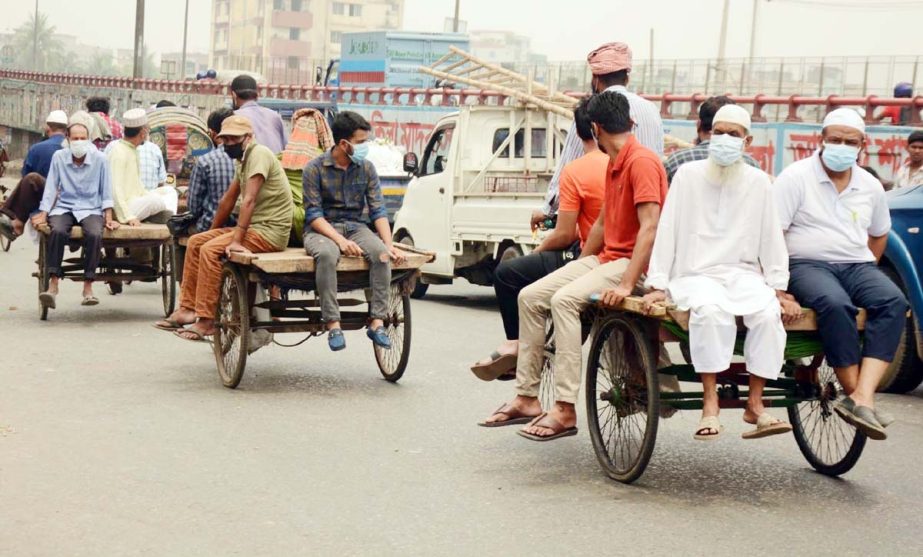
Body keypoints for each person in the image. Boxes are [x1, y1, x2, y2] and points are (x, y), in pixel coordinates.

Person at [480, 91, 667, 441]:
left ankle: (564, 408)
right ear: (629, 122)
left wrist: (627, 284)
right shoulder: (614, 161)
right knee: (531, 296)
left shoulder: (641, 161)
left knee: (563, 301)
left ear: (595, 128)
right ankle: (527, 397)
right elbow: (599, 226)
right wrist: (579, 268)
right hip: (606, 258)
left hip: (633, 264)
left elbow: (651, 227)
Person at [643, 105, 796, 440]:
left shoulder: (758, 182)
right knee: (711, 313)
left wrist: (778, 286)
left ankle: (755, 403)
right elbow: (667, 230)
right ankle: (709, 402)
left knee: (769, 314)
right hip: (694, 275)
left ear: (747, 140)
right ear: (709, 134)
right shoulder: (688, 175)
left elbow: (771, 236)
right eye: (720, 132)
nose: (725, 140)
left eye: (734, 134)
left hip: (742, 275)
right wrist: (657, 283)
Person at [774, 108, 909, 441]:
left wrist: (869, 271)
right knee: (834, 304)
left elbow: (879, 233)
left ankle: (862, 396)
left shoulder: (870, 185)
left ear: (862, 144)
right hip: (806, 263)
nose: (842, 146)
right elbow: (774, 233)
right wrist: (777, 285)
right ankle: (857, 396)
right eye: (835, 140)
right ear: (822, 140)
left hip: (857, 265)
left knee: (892, 300)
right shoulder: (796, 177)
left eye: (850, 142)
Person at [470, 98, 606, 380]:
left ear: (581, 132)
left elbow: (566, 234)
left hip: (589, 257)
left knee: (507, 273)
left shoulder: (576, 170)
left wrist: (537, 252)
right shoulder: (626, 165)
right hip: (621, 257)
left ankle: (518, 344)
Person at [155, 115, 293, 340]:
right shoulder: (242, 160)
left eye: (233, 139)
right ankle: (188, 308)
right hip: (254, 229)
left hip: (269, 232)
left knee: (209, 251)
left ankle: (207, 321)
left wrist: (236, 240)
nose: (228, 143)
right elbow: (227, 201)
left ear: (248, 138)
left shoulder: (259, 154)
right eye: (225, 139)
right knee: (198, 242)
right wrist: (211, 231)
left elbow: (248, 200)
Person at [302, 111, 405, 352]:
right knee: (327, 256)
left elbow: (378, 210)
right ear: (343, 143)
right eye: (360, 142)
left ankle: (377, 321)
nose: (364, 147)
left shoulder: (366, 168)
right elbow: (314, 215)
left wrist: (388, 244)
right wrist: (339, 241)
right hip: (322, 230)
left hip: (356, 227)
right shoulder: (314, 169)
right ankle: (333, 323)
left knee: (381, 255)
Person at [532, 42, 663, 230]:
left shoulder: (593, 110)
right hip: (647, 212)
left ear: (595, 79)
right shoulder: (651, 109)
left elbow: (570, 163)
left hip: (606, 217)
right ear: (626, 78)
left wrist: (547, 211)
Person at [31, 119, 119, 308]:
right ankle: (53, 283)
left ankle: (88, 286)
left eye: (83, 138)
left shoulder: (100, 159)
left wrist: (109, 217)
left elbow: (106, 191)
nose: (79, 141)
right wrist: (44, 213)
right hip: (65, 206)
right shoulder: (59, 157)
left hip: (91, 208)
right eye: (75, 138)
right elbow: (52, 187)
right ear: (68, 140)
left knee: (95, 234)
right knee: (58, 231)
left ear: (89, 140)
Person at [0, 110, 68, 242]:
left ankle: (17, 220)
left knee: (30, 179)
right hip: (68, 198)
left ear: (48, 128)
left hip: (46, 201)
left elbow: (25, 178)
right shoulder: (72, 148)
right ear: (66, 129)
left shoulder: (37, 149)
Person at [663, 96, 760, 182]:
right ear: (712, 132)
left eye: (732, 134)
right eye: (719, 132)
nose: (725, 138)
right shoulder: (753, 166)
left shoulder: (676, 161)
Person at [107, 109, 178, 225]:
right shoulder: (118, 153)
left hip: (136, 200)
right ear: (143, 133)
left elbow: (138, 187)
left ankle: (161, 218)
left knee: (169, 191)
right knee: (154, 201)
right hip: (123, 209)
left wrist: (149, 194)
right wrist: (128, 217)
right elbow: (115, 191)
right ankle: (168, 223)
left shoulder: (132, 150)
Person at [187, 108, 236, 233]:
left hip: (209, 227)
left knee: (179, 230)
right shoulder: (248, 158)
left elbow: (194, 208)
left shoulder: (205, 161)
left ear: (213, 134)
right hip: (240, 228)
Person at [230, 74, 287, 154]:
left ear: (234, 95)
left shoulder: (233, 117)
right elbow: (286, 148)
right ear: (257, 95)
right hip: (277, 164)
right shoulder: (275, 116)